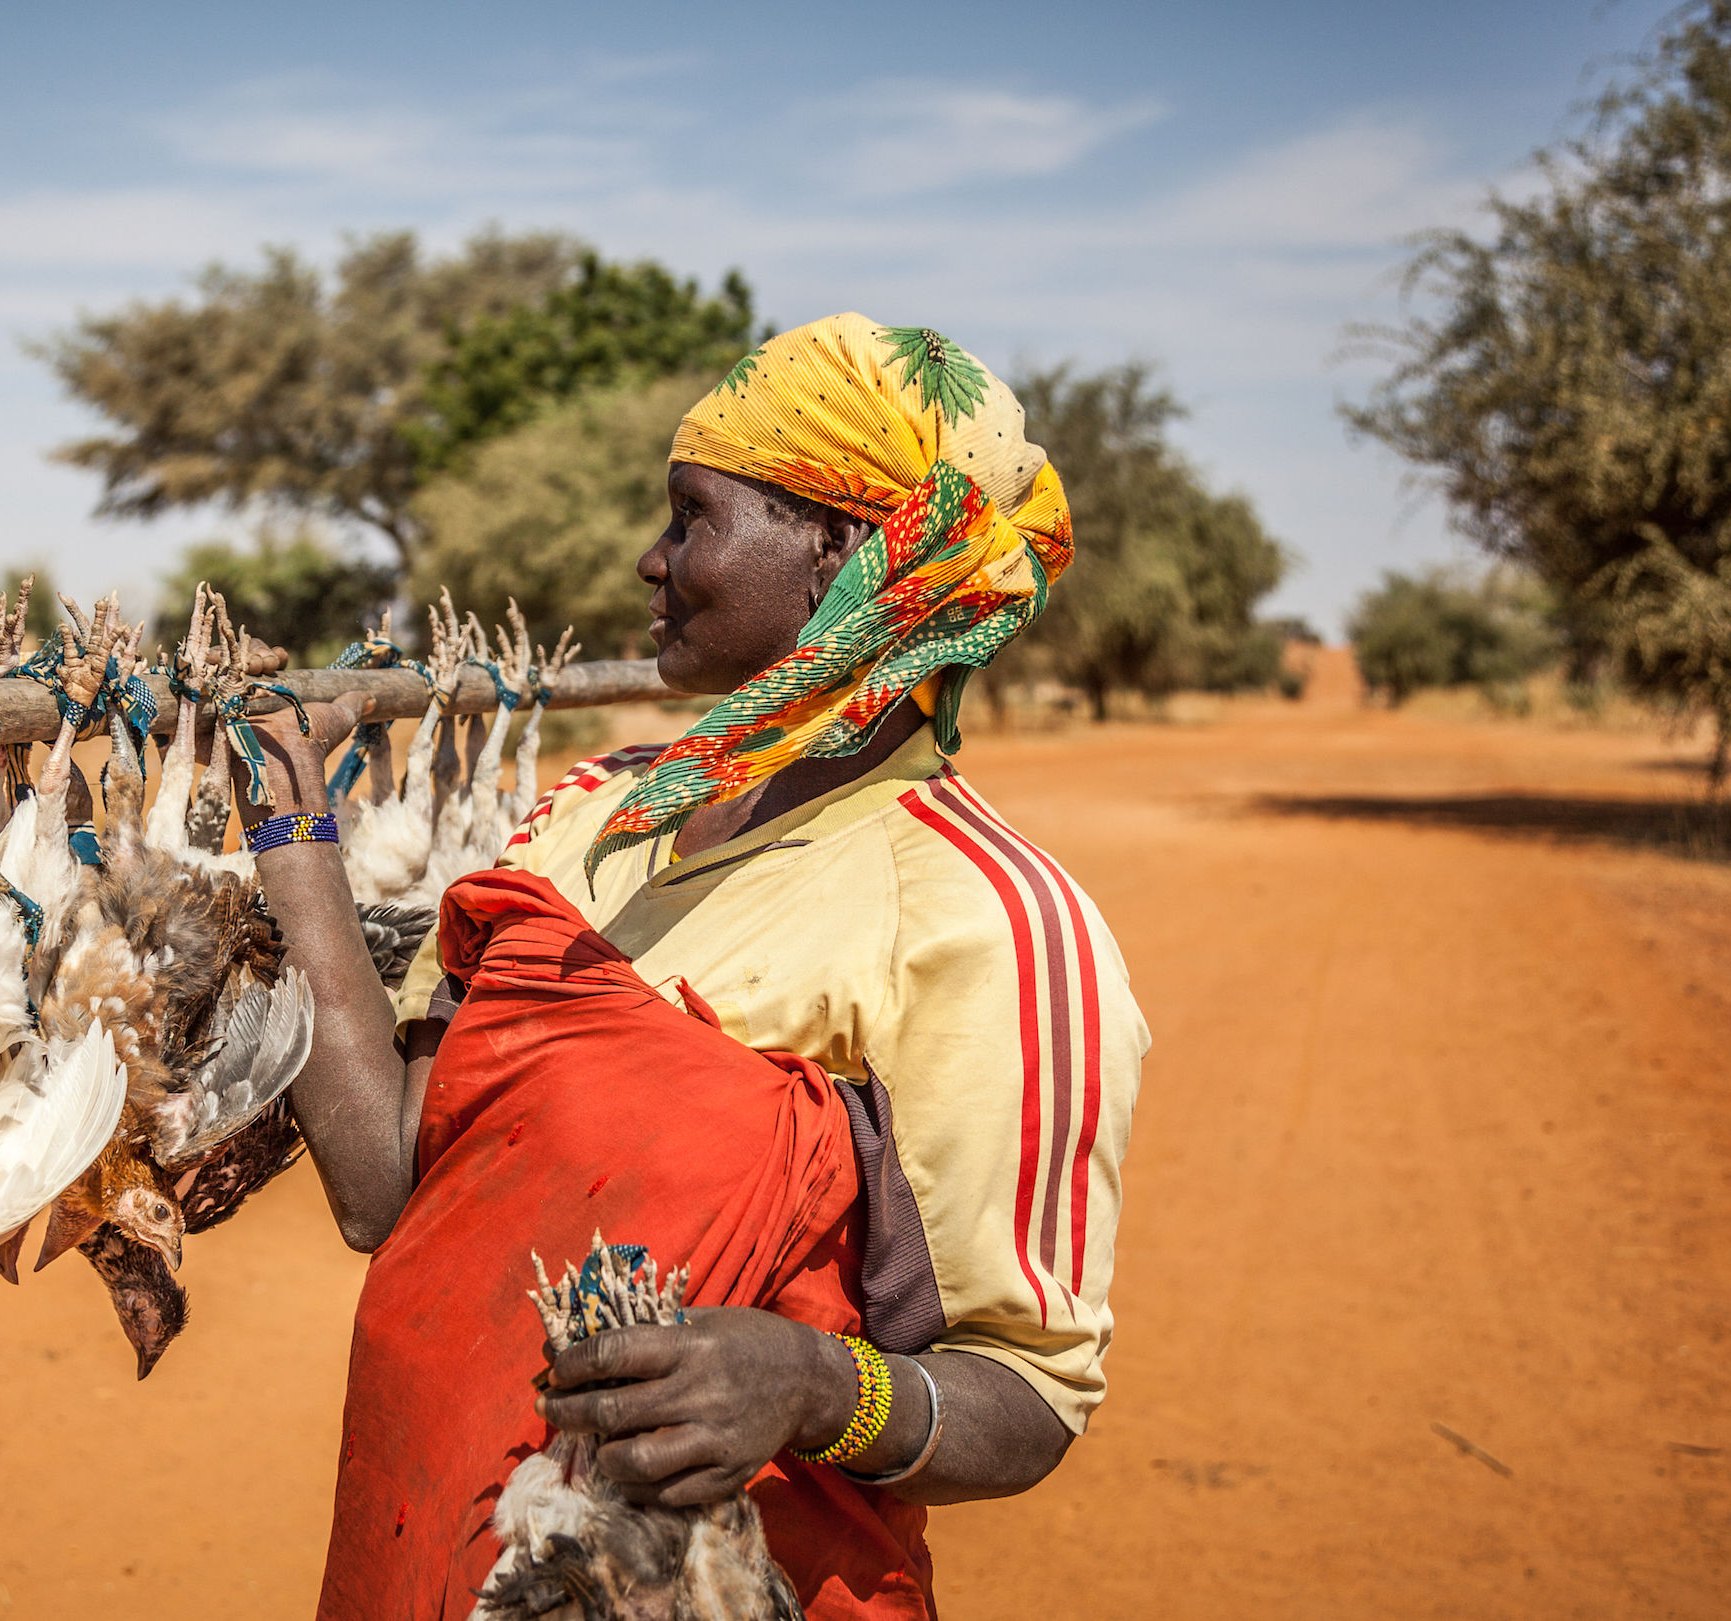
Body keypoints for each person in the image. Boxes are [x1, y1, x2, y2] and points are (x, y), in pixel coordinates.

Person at [229, 313, 1148, 1619]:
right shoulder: (588, 813)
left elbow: (1033, 1396)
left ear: (843, 548)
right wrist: (287, 820)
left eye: (691, 516)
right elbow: (388, 1182)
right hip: (431, 1561)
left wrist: (817, 1386)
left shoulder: (984, 917)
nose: (652, 562)